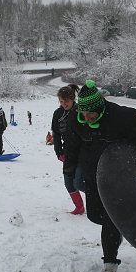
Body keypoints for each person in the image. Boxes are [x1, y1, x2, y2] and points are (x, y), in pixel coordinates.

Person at [68, 79, 136, 272]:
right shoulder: (76, 119)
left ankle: (110, 260)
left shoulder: (121, 116)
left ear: (100, 108)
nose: (86, 118)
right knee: (96, 215)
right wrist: (69, 171)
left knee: (111, 217)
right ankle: (115, 230)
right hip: (92, 173)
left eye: (91, 114)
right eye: (83, 114)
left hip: (117, 177)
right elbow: (73, 146)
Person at [51, 84, 85, 215]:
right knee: (68, 184)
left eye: (66, 101)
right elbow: (56, 133)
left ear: (73, 99)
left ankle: (102, 199)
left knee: (79, 183)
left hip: (82, 154)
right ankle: (79, 207)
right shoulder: (58, 114)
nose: (64, 104)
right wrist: (59, 152)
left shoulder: (80, 112)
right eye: (61, 101)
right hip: (68, 153)